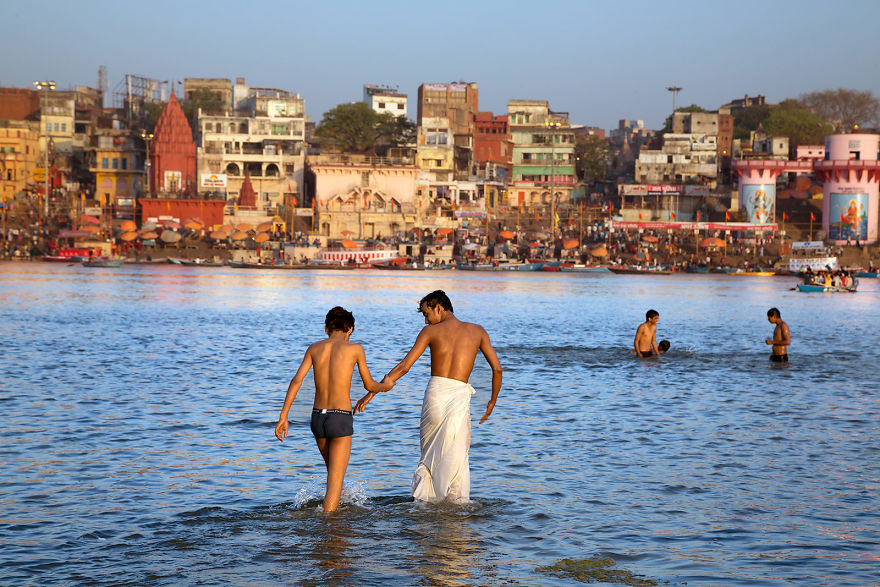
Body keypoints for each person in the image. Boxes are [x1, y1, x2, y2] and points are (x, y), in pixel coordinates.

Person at [355, 290, 502, 503]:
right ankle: (455, 509)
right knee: (457, 459)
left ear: (439, 308)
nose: (425, 321)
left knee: (428, 457)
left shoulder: (430, 332)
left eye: (427, 314)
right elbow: (497, 369)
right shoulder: (477, 331)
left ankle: (423, 506)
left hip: (434, 397)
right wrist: (492, 400)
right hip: (458, 398)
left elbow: (404, 367)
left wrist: (372, 392)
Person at [275, 306, 392, 513]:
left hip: (317, 419)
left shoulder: (314, 348)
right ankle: (330, 526)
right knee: (335, 483)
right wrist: (385, 386)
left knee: (334, 476)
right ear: (350, 329)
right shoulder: (355, 349)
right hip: (340, 418)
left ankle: (337, 511)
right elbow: (369, 385)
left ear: (326, 328)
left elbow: (296, 381)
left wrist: (284, 416)